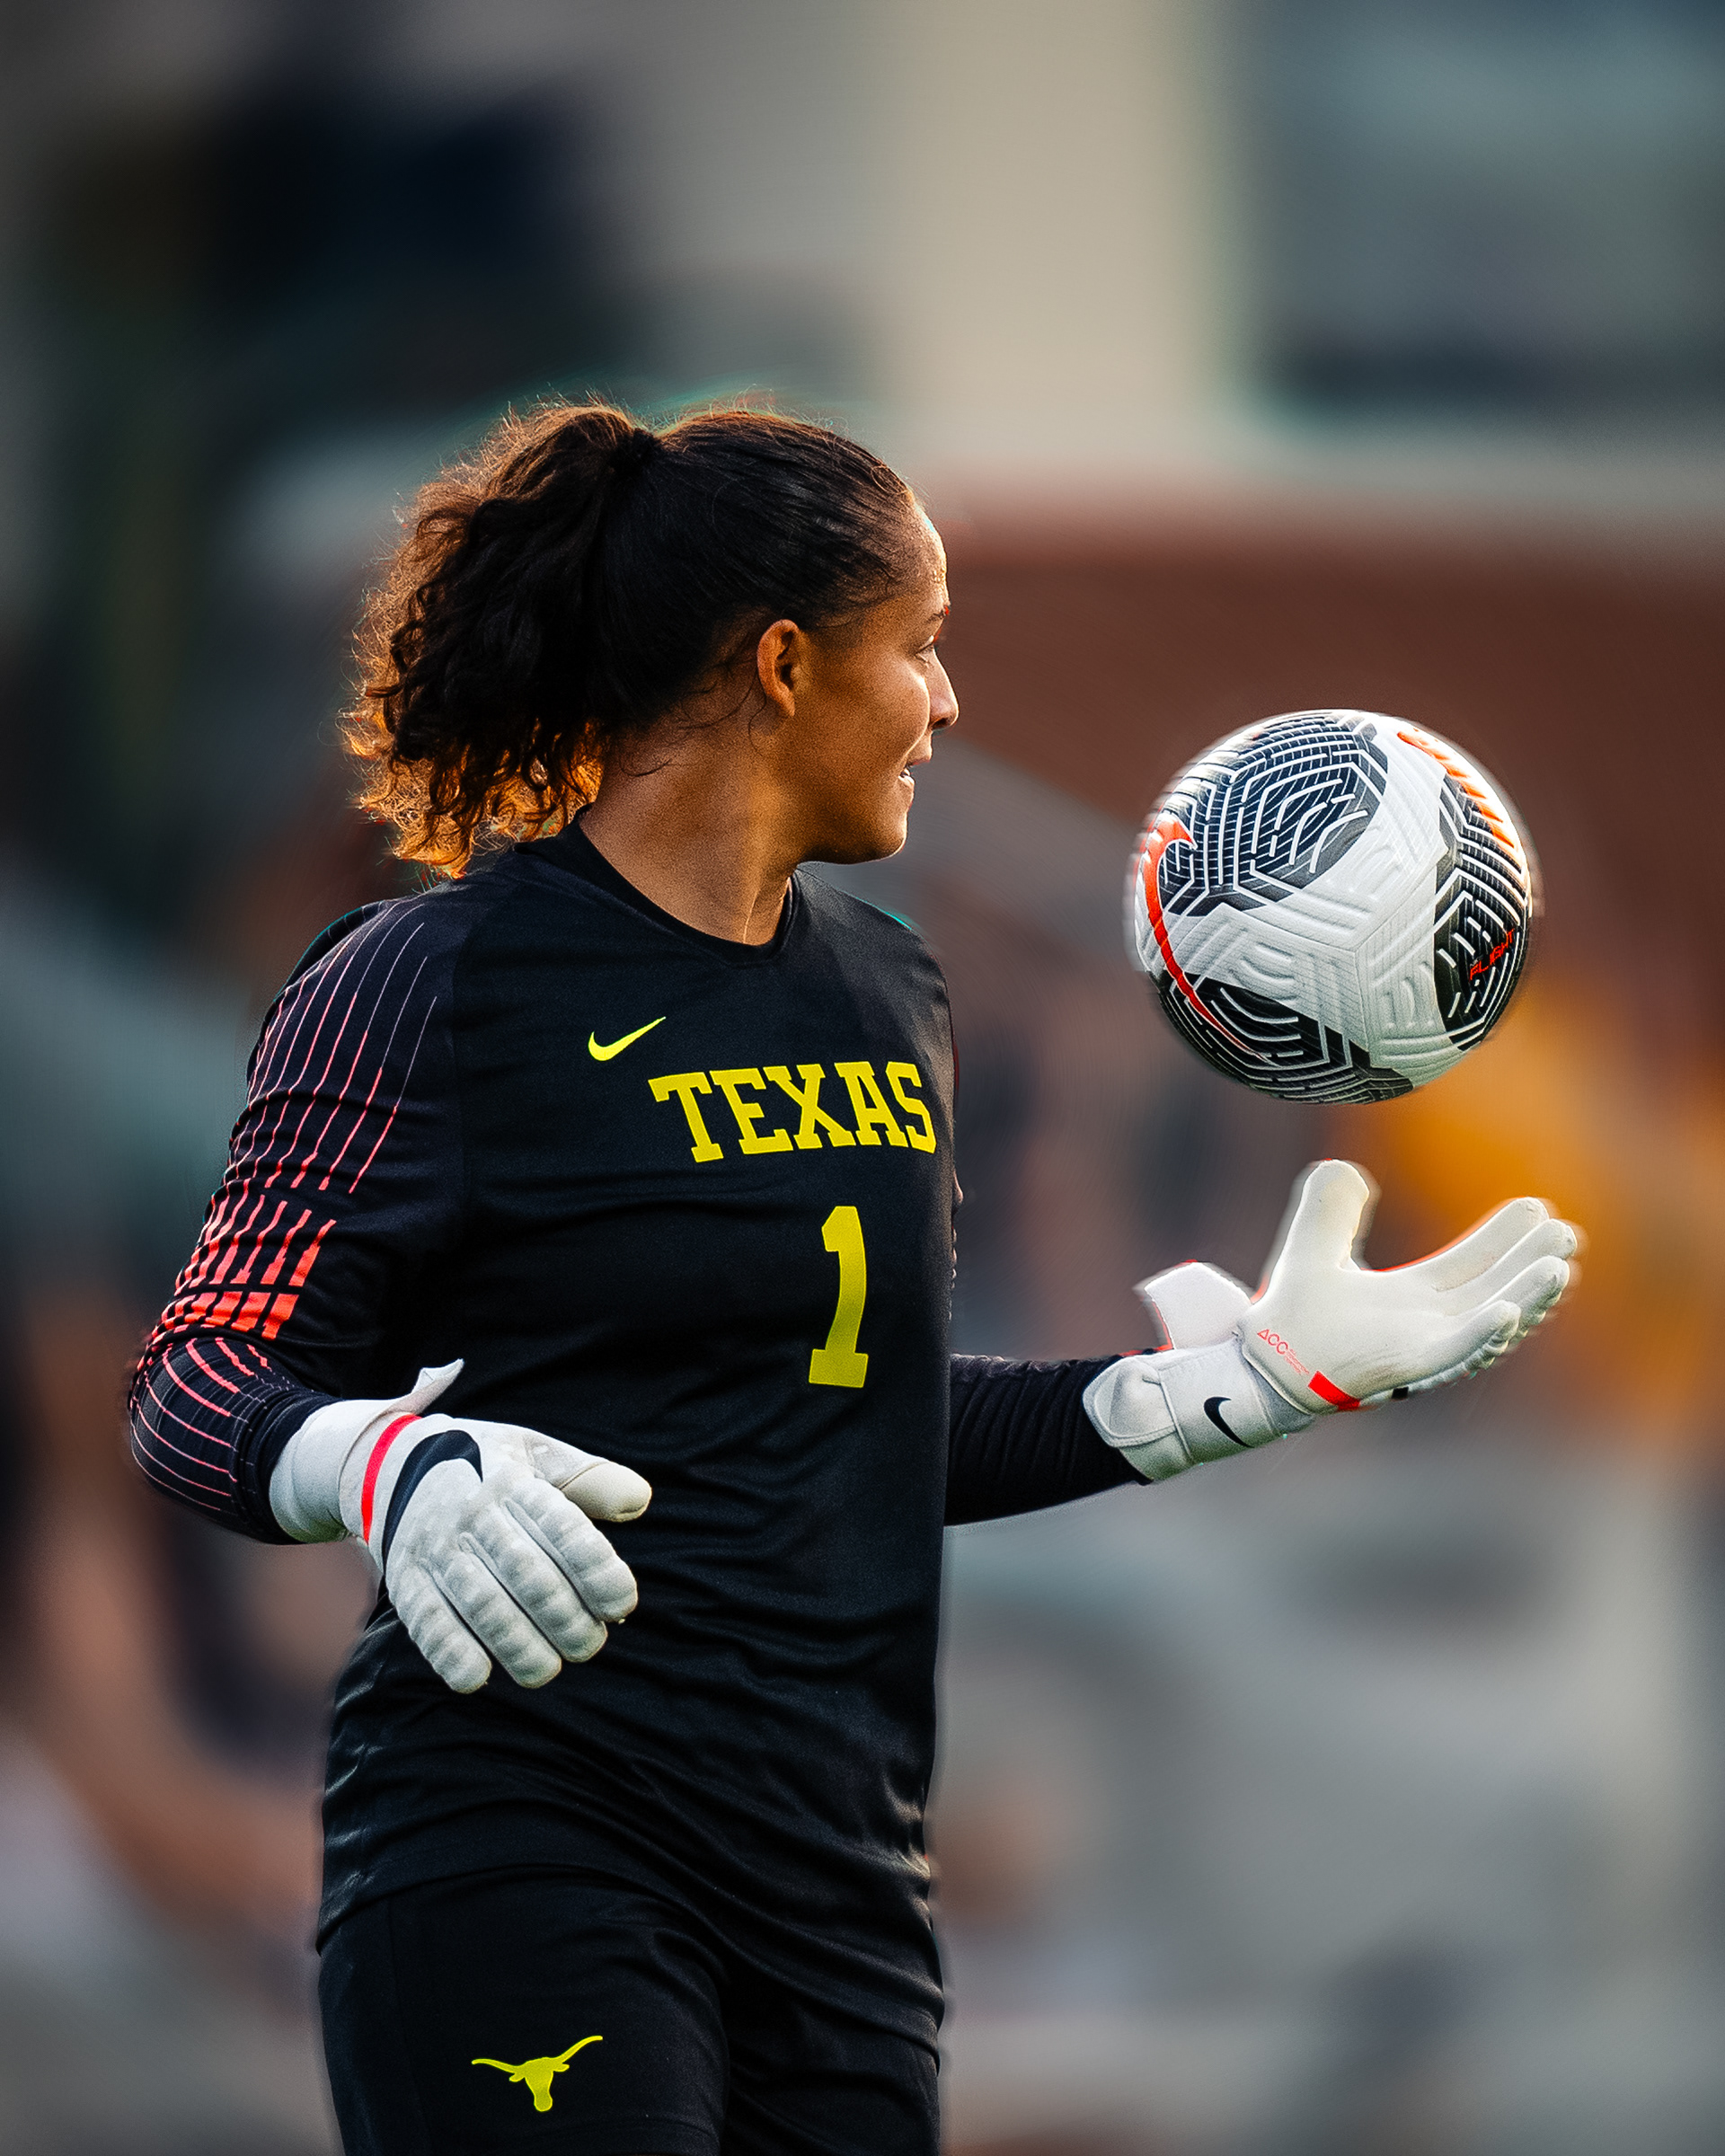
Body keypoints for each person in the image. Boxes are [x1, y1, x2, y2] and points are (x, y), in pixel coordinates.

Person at [128, 402, 1576, 2156]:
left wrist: (1222, 1393)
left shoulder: (891, 990)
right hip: (528, 1842)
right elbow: (196, 1379)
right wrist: (382, 1464)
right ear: (787, 664)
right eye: (924, 646)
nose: (947, 705)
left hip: (838, 1893)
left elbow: (852, 1425)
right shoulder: (430, 977)